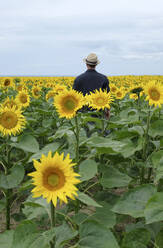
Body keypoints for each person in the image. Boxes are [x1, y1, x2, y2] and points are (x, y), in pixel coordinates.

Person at [73, 53, 110, 119]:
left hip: (83, 114)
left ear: (86, 64)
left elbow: (74, 97)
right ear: (96, 65)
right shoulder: (103, 78)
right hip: (98, 113)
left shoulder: (78, 79)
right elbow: (107, 97)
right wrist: (108, 111)